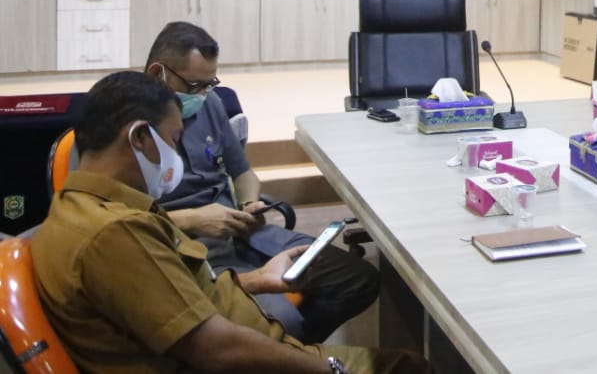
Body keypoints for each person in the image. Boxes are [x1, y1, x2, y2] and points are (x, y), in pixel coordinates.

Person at [30, 71, 425, 373]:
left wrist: (257, 280)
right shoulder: (114, 235)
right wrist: (330, 368)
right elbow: (217, 349)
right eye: (173, 140)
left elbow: (177, 294)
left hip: (253, 338)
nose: (176, 156)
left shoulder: (81, 208)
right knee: (408, 366)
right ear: (139, 138)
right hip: (249, 358)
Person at [146, 21, 378, 343]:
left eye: (210, 84)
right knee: (278, 322)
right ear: (158, 73)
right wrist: (193, 219)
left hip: (242, 234)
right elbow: (115, 220)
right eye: (194, 85)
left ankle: (286, 348)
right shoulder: (128, 127)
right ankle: (276, 344)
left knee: (357, 279)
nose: (202, 94)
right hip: (183, 250)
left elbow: (243, 173)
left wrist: (247, 203)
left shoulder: (209, 103)